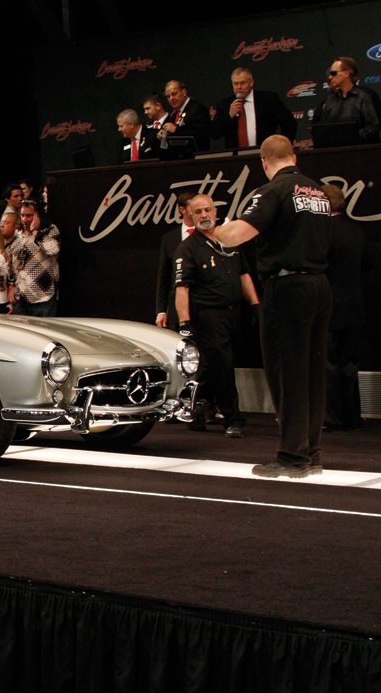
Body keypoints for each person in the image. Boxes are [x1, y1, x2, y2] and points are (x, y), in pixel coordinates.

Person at [213, 135, 332, 478]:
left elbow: (238, 234)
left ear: (264, 162)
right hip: (319, 285)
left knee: (287, 371)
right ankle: (311, 452)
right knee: (312, 373)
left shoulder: (272, 191)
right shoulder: (318, 193)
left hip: (287, 287)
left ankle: (293, 457)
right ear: (295, 157)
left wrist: (214, 231)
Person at [173, 194, 259, 438]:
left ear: (216, 212)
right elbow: (182, 288)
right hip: (208, 315)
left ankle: (193, 407)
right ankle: (232, 418)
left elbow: (243, 274)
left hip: (235, 313)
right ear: (191, 215)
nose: (204, 215)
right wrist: (185, 323)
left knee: (212, 366)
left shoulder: (230, 240)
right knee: (223, 364)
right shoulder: (188, 248)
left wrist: (255, 304)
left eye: (207, 210)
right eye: (198, 211)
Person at [322, 184, 366, 431]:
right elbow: (368, 262)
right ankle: (352, 415)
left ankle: (332, 417)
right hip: (354, 305)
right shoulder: (356, 230)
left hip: (329, 305)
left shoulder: (323, 231)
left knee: (328, 363)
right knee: (349, 364)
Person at [210, 67, 296, 149]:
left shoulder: (268, 99)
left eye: (243, 83)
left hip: (265, 153)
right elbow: (215, 134)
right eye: (235, 84)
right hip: (236, 156)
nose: (239, 87)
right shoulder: (224, 104)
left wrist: (281, 146)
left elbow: (289, 123)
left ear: (251, 83)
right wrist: (229, 115)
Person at [312, 56, 381, 145]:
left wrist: (353, 137)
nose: (330, 77)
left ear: (346, 74)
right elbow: (323, 128)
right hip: (336, 150)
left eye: (333, 73)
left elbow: (373, 127)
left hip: (359, 149)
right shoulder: (329, 100)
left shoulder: (363, 97)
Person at [8, 200, 60, 317]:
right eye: (22, 215)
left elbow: (52, 250)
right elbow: (10, 264)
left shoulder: (50, 230)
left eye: (29, 216)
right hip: (20, 297)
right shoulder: (17, 234)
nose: (25, 219)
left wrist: (35, 232)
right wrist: (11, 286)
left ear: (38, 215)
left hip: (43, 297)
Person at [154, 192, 194, 329]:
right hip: (176, 308)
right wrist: (161, 310)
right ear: (182, 209)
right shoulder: (169, 238)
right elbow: (164, 276)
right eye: (192, 206)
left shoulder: (206, 234)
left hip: (202, 306)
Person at [160, 80, 211, 152]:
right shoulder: (173, 114)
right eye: (168, 96)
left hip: (196, 156)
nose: (171, 98)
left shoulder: (197, 108)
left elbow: (201, 135)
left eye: (174, 94)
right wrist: (165, 135)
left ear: (184, 92)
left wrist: (176, 130)